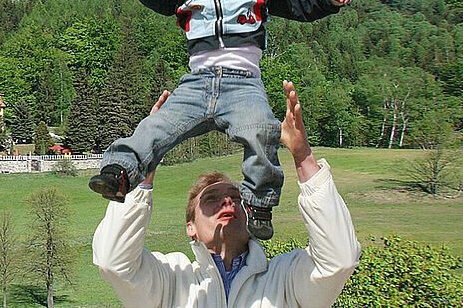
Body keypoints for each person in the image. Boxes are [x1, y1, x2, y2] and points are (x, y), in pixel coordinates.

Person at [88, 0, 353, 240]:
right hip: (197, 83)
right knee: (155, 127)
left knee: (263, 129)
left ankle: (258, 202)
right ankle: (119, 171)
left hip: (244, 84)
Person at [91, 81, 361, 307]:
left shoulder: (283, 278)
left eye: (238, 197)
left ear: (250, 214)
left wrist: (303, 157)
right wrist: (145, 160)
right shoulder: (172, 279)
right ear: (191, 228)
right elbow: (113, 261)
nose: (227, 201)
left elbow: (338, 260)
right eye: (210, 200)